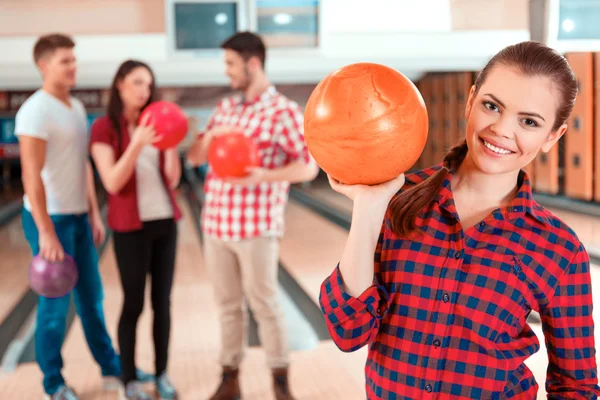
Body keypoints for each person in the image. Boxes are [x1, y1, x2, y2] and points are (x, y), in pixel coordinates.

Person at [319, 41, 600, 399]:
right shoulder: (398, 201)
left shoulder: (559, 249)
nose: (501, 129)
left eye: (528, 121)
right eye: (492, 106)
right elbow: (349, 331)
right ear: (471, 101)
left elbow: (576, 387)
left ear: (552, 137)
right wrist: (369, 206)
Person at [186, 31, 319, 400]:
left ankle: (280, 380)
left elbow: (307, 167)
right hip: (215, 224)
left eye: (230, 63)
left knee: (265, 305)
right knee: (228, 306)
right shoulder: (225, 109)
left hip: (257, 227)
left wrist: (266, 176)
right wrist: (210, 138)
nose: (226, 71)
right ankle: (229, 379)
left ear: (253, 63)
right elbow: (195, 158)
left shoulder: (283, 112)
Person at [15, 33, 142, 400]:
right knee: (54, 307)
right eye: (64, 61)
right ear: (44, 65)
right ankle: (53, 383)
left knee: (92, 298)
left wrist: (93, 212)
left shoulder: (73, 107)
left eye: (74, 59)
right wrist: (46, 232)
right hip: (48, 220)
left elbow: (82, 166)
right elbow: (30, 176)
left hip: (77, 218)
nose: (73, 67)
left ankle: (110, 367)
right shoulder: (35, 111)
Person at [89, 60, 182, 400]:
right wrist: (138, 142)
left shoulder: (157, 123)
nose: (144, 90)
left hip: (165, 223)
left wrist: (170, 143)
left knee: (163, 304)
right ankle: (129, 378)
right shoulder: (104, 127)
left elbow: (172, 180)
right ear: (120, 85)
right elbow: (112, 181)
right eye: (137, 83)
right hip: (130, 228)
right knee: (133, 304)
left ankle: (161, 375)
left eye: (149, 84)